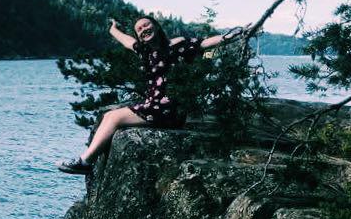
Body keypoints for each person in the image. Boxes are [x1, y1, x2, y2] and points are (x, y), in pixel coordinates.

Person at [57, 16, 245, 175]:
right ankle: (86, 161)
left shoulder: (176, 44)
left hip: (168, 109)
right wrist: (113, 29)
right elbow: (125, 40)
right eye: (139, 29)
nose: (143, 30)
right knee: (109, 116)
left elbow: (203, 44)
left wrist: (230, 35)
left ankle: (85, 162)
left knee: (113, 117)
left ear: (156, 26)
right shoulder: (145, 52)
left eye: (146, 25)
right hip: (155, 106)